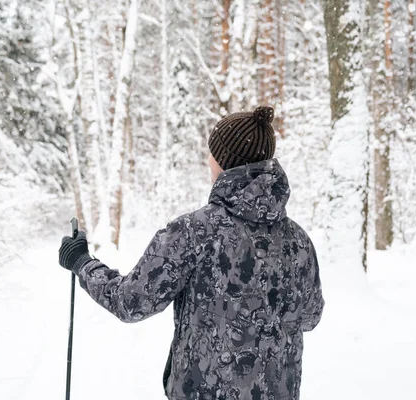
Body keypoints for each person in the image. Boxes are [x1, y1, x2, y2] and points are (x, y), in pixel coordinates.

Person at [58, 106, 325, 400]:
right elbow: (310, 317)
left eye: (212, 152)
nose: (207, 159)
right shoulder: (298, 240)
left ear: (224, 162)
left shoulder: (193, 231)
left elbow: (131, 301)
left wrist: (83, 264)